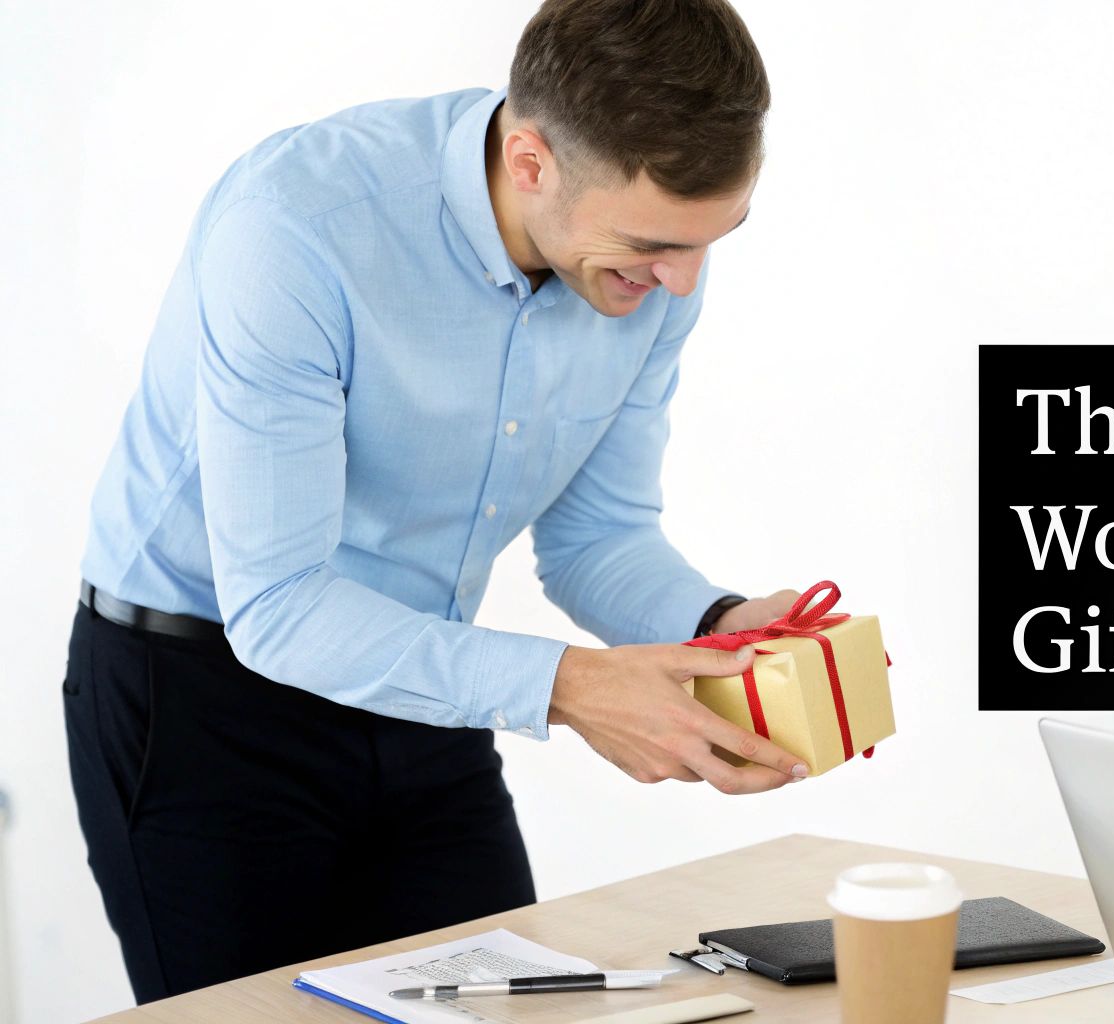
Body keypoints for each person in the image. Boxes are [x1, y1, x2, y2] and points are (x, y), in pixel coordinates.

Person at [63, 0, 807, 1003]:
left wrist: (718, 629)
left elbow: (596, 538)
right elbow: (279, 605)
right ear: (531, 159)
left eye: (707, 242)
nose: (678, 284)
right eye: (651, 244)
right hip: (200, 703)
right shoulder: (294, 230)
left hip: (426, 684)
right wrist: (570, 687)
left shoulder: (650, 269)